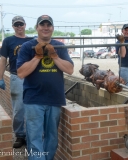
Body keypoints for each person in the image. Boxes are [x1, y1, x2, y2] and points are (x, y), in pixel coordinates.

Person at [16, 15, 74, 160]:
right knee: (35, 138)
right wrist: (37, 56)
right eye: (42, 25)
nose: (46, 27)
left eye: (49, 25)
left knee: (52, 139)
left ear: (53, 28)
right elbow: (21, 73)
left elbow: (70, 69)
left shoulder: (59, 46)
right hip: (34, 99)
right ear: (37, 27)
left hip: (55, 99)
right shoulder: (27, 47)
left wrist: (54, 55)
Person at [0, 15, 29, 148]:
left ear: (25, 25)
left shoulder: (32, 40)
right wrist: (0, 78)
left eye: (21, 24)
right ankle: (20, 135)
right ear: (13, 27)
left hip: (32, 78)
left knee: (34, 107)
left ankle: (33, 135)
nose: (19, 27)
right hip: (17, 78)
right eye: (16, 25)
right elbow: (3, 60)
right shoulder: (8, 41)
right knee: (18, 109)